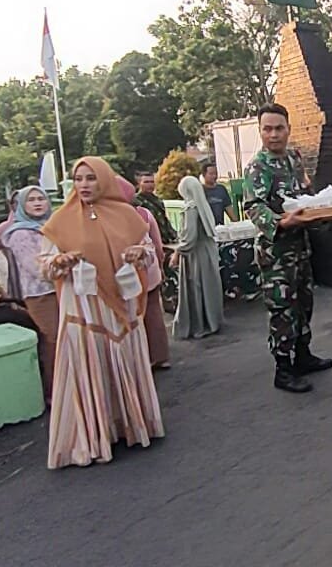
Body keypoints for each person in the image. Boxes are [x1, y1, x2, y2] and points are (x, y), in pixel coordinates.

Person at [39, 156, 164, 469]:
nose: (83, 185)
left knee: (123, 358)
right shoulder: (61, 220)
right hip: (84, 309)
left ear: (105, 180)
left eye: (91, 178)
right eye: (78, 178)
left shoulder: (127, 215)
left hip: (122, 305)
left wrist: (140, 253)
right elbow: (44, 265)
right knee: (90, 362)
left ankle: (131, 425)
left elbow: (148, 251)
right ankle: (96, 436)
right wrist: (59, 262)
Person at [243, 103, 332, 393]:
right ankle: (283, 369)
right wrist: (281, 222)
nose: (273, 135)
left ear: (288, 129)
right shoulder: (258, 167)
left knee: (304, 303)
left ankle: (303, 355)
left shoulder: (294, 159)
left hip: (300, 247)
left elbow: (304, 192)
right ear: (260, 131)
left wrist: (319, 207)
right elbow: (253, 206)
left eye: (279, 128)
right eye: (267, 129)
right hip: (276, 253)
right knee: (282, 310)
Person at [0, 186, 60, 403]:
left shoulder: (52, 226)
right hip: (40, 295)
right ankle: (52, 391)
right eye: (31, 200)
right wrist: (67, 266)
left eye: (41, 199)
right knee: (52, 339)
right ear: (22, 206)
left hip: (61, 290)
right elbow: (36, 268)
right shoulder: (19, 234)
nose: (37, 203)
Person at [118, 177, 172, 369]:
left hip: (128, 275)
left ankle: (142, 358)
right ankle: (160, 355)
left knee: (136, 316)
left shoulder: (115, 218)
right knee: (153, 313)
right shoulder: (144, 213)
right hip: (150, 271)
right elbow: (156, 243)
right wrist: (160, 264)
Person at [175, 175, 224, 339]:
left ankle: (200, 324)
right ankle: (213, 320)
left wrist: (178, 251)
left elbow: (189, 238)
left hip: (196, 254)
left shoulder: (191, 207)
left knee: (198, 288)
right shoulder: (203, 204)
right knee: (209, 286)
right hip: (208, 250)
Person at [134, 170, 178, 246]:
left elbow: (165, 221)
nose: (150, 185)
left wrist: (174, 236)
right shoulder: (135, 201)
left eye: (152, 182)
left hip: (164, 241)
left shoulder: (158, 200)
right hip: (148, 243)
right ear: (139, 184)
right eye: (146, 182)